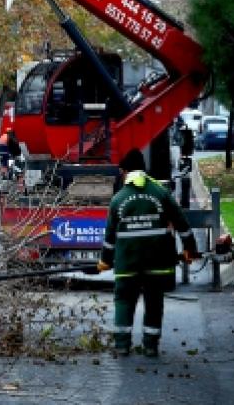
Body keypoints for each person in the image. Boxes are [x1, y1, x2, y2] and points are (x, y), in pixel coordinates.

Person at [96, 149, 198, 358]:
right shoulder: (160, 193)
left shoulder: (118, 199)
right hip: (158, 263)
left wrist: (105, 261)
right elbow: (182, 224)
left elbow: (110, 238)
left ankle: (122, 346)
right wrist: (190, 249)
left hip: (128, 265)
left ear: (124, 171)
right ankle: (150, 346)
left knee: (124, 301)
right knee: (154, 301)